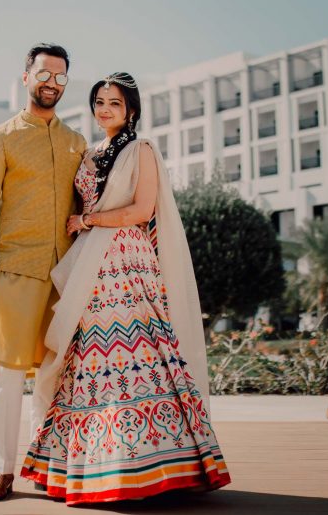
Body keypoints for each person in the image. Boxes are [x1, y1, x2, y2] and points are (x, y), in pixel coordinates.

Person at [22, 72, 231, 505]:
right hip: (89, 266)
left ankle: (154, 464)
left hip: (126, 261)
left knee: (135, 355)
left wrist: (88, 221)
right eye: (99, 101)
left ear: (130, 109)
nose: (104, 109)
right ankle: (93, 466)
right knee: (90, 359)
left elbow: (142, 209)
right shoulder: (87, 152)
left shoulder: (141, 150)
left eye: (114, 103)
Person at [0, 43, 88, 502]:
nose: (51, 83)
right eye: (44, 74)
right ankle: (2, 469)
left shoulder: (77, 142)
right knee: (7, 376)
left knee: (53, 375)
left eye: (60, 77)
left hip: (65, 273)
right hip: (13, 272)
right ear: (26, 77)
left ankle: (46, 467)